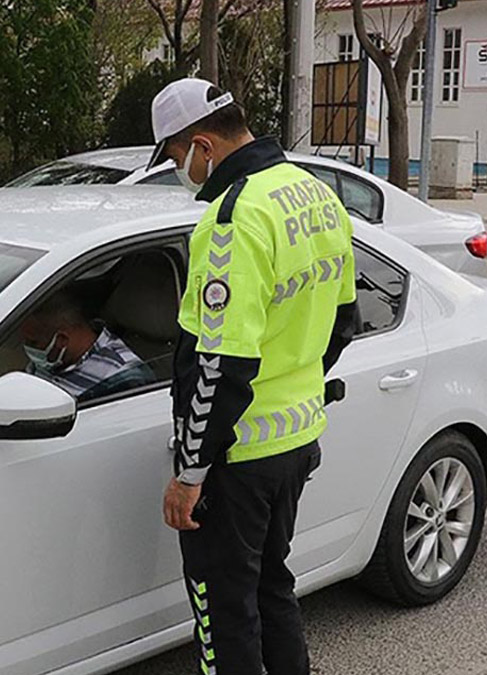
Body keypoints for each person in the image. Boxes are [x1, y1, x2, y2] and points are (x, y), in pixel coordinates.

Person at [151, 79, 359, 675]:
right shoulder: (314, 193)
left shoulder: (232, 219)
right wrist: (296, 380)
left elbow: (220, 365)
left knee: (223, 611)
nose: (177, 168)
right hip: (296, 439)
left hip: (237, 459)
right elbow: (342, 320)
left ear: (201, 145)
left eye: (173, 155)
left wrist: (190, 473)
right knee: (272, 588)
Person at [18, 292, 155, 402]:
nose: (27, 348)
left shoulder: (122, 377)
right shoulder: (53, 358)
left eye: (33, 342)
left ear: (61, 340)